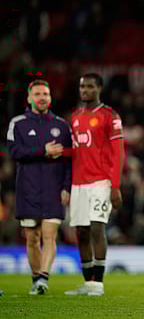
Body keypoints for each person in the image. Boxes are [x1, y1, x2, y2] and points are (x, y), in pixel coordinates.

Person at [7, 79, 72, 295]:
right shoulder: (18, 123)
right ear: (29, 98)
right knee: (32, 237)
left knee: (49, 234)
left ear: (50, 97)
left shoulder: (62, 126)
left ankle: (44, 278)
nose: (42, 97)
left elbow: (69, 160)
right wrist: (42, 151)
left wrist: (66, 186)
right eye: (37, 94)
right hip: (28, 189)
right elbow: (14, 153)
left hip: (53, 189)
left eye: (45, 93)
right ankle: (36, 279)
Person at [65, 73, 124, 296]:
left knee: (97, 227)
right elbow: (79, 149)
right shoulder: (76, 116)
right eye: (82, 87)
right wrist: (61, 152)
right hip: (78, 183)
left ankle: (98, 283)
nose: (85, 90)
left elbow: (118, 152)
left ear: (99, 88)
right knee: (81, 232)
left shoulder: (110, 115)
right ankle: (88, 283)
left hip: (101, 181)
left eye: (90, 86)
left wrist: (115, 185)